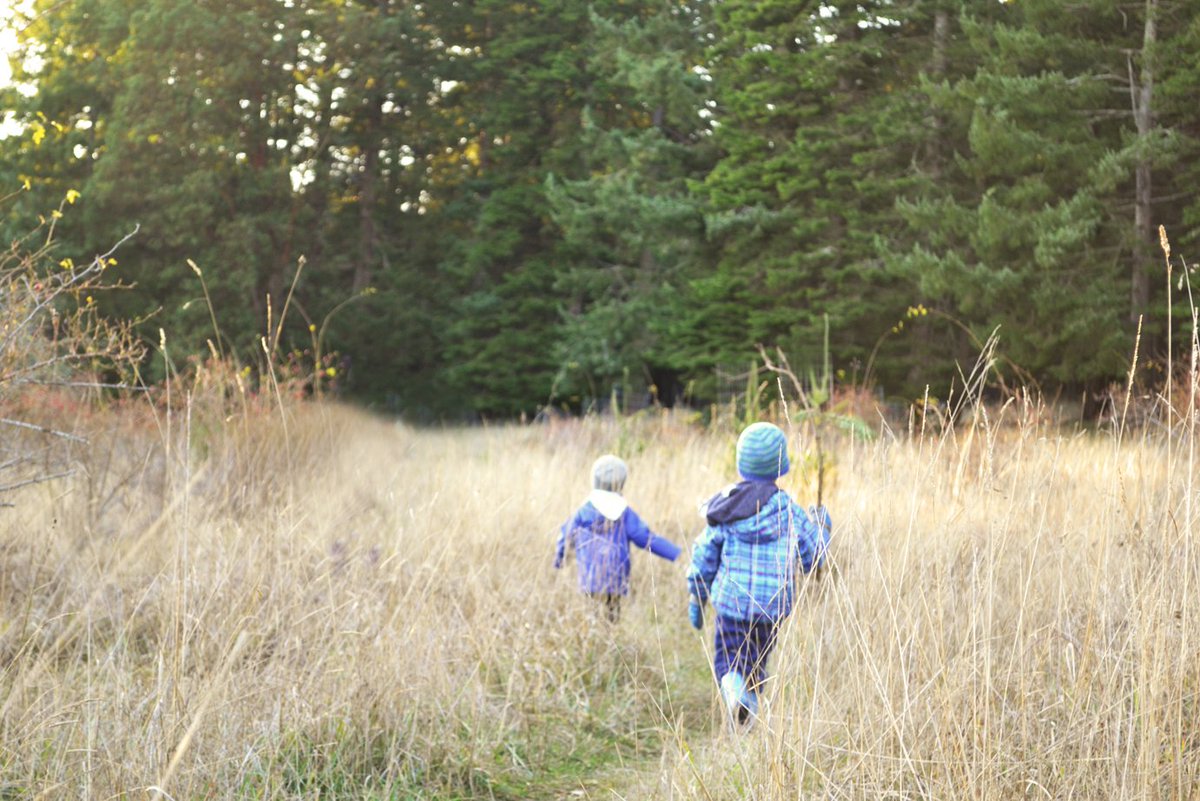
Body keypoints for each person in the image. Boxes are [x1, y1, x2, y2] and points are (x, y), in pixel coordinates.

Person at [685, 422, 831, 725]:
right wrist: (823, 528)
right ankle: (747, 708)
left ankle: (735, 691)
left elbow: (704, 555)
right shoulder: (789, 510)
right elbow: (813, 555)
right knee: (756, 662)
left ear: (741, 464)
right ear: (782, 466)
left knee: (729, 660)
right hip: (772, 606)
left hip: (731, 603)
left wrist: (697, 596)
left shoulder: (727, 509)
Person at [555, 454, 682, 621]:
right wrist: (675, 553)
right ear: (621, 482)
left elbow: (566, 535)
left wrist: (560, 560)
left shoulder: (584, 510)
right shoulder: (624, 512)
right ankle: (611, 632)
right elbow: (644, 537)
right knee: (612, 613)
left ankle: (594, 637)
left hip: (589, 575)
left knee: (590, 613)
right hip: (616, 575)